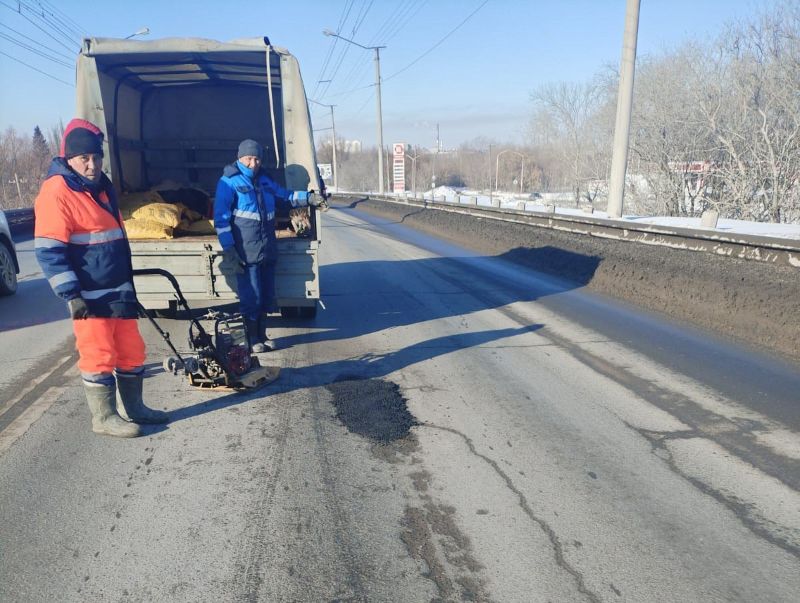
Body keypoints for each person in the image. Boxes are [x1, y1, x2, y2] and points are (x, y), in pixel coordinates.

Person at [34, 118, 168, 438]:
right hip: (89, 295)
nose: (92, 165)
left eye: (97, 157)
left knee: (131, 350)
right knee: (97, 354)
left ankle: (134, 407)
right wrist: (71, 295)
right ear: (69, 159)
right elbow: (49, 250)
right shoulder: (57, 192)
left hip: (118, 288)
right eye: (84, 159)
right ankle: (104, 417)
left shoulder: (101, 186)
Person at [214, 139, 324, 352]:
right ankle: (251, 339)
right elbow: (221, 220)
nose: (253, 163)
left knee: (266, 295)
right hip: (246, 252)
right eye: (248, 159)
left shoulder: (265, 180)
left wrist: (309, 198)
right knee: (251, 297)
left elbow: (287, 196)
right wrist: (229, 249)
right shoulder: (228, 182)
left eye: (256, 159)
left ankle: (262, 336)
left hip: (267, 249)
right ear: (240, 158)